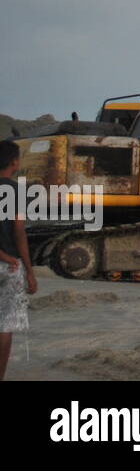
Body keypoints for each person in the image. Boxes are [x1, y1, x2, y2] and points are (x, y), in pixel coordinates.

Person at [0, 140, 36, 380]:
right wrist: (30, 272)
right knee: (5, 325)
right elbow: (19, 231)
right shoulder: (15, 191)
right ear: (14, 162)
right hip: (10, 265)